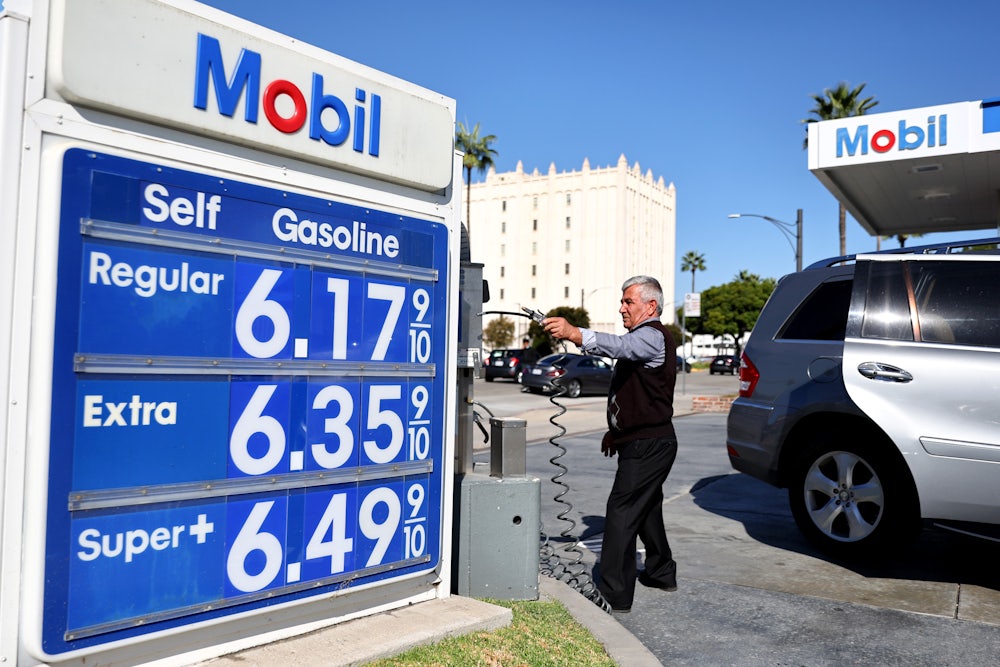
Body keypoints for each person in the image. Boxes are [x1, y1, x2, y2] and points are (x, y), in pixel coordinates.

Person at [543, 275, 678, 613]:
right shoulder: (646, 338)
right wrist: (616, 431)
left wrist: (576, 333)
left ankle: (615, 592)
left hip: (650, 445)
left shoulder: (652, 337)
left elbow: (620, 347)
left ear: (650, 306)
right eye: (622, 302)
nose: (621, 308)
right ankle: (662, 572)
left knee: (621, 512)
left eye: (628, 302)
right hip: (644, 440)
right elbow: (634, 394)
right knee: (645, 509)